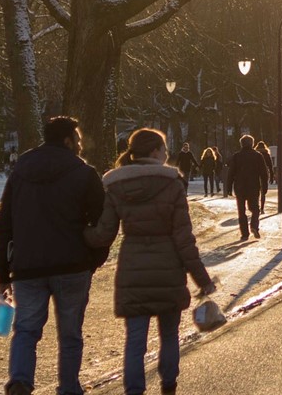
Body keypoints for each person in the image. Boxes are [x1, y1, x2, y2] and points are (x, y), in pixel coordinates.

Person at [85, 128, 214, 395]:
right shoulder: (172, 184)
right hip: (168, 272)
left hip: (133, 270)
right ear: (155, 152)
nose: (167, 154)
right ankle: (168, 386)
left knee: (134, 340)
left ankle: (134, 390)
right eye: (165, 149)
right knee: (169, 335)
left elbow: (103, 234)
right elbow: (184, 239)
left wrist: (78, 233)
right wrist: (202, 278)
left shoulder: (117, 186)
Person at [0, 116, 106, 395]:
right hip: (73, 264)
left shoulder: (21, 171)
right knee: (70, 334)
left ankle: (20, 381)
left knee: (26, 330)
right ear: (67, 140)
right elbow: (102, 222)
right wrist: (93, 259)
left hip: (28, 266)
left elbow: (5, 221)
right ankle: (68, 387)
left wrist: (3, 270)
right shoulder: (85, 173)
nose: (80, 145)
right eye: (77, 139)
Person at [226, 134, 268, 240]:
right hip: (253, 186)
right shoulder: (258, 156)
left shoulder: (236, 156)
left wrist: (228, 187)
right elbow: (264, 173)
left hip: (240, 186)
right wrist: (265, 186)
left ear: (241, 144)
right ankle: (254, 226)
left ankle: (244, 234)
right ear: (252, 144)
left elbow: (231, 173)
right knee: (255, 209)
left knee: (241, 211)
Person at [256, 141, 274, 213]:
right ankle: (262, 208)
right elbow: (270, 166)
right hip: (264, 174)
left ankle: (257, 206)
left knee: (256, 192)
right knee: (263, 192)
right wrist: (272, 176)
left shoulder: (256, 154)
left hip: (256, 174)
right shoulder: (267, 154)